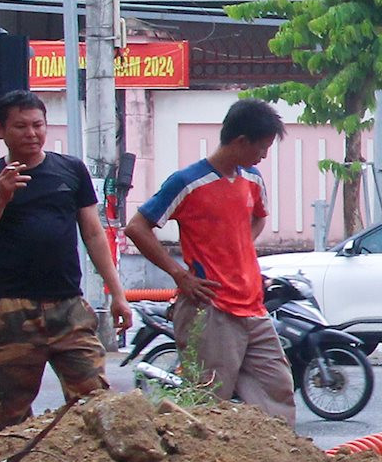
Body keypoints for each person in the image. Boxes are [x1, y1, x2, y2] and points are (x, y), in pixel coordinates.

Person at [0, 89, 131, 429]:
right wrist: (0, 198)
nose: (32, 134)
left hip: (68, 306)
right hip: (12, 309)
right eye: (21, 126)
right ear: (0, 130)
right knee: (12, 411)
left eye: (38, 125)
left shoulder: (71, 170)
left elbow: (94, 234)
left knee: (94, 402)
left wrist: (118, 293)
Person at [125, 100, 293, 422]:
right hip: (211, 307)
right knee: (207, 401)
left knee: (277, 389)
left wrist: (237, 245)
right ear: (241, 141)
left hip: (252, 305)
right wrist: (178, 274)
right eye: (262, 147)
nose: (264, 156)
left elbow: (257, 219)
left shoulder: (252, 179)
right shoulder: (187, 182)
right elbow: (137, 227)